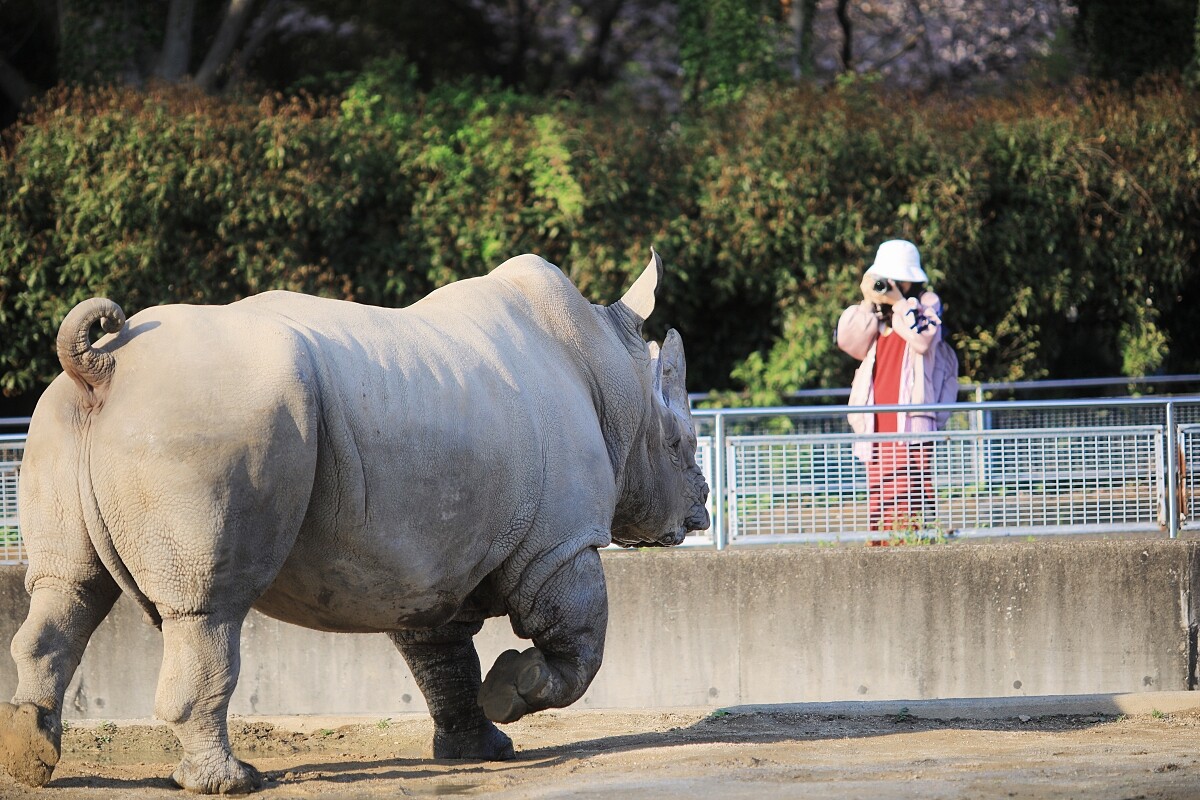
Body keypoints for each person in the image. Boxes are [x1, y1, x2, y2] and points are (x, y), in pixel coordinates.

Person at [836, 239, 950, 541]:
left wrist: (900, 302)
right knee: (881, 495)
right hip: (876, 422)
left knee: (911, 492)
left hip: (910, 420)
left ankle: (913, 551)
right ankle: (881, 554)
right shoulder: (876, 315)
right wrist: (867, 301)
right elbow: (847, 342)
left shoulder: (925, 305)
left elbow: (923, 340)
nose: (889, 285)